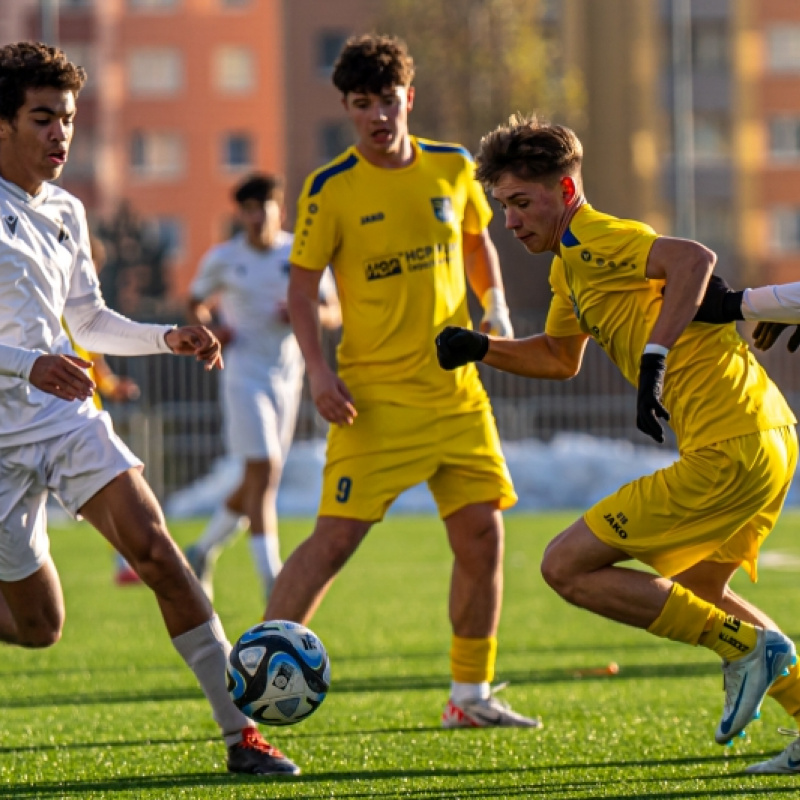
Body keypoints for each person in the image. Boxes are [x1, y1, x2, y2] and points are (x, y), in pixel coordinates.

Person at [435, 114, 800, 772]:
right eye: (503, 208)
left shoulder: (595, 235)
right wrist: (479, 346)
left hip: (730, 444)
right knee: (694, 586)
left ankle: (745, 649)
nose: (511, 222)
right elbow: (557, 356)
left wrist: (654, 356)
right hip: (763, 435)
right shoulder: (569, 270)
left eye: (522, 203)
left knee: (565, 566)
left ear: (565, 192)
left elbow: (692, 259)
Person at [0, 41, 298, 776]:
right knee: (40, 629)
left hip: (65, 420)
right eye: (42, 118)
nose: (60, 134)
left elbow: (90, 318)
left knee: (159, 550)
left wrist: (168, 336)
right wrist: (25, 361)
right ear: (2, 123)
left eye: (67, 119)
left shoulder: (67, 209)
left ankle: (242, 735)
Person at [264, 33, 539, 730]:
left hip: (455, 396)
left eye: (389, 100)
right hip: (373, 403)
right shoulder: (330, 189)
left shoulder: (452, 168)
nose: (379, 116)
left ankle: (469, 698)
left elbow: (478, 241)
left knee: (483, 536)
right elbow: (301, 292)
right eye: (363, 105)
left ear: (408, 98)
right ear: (348, 111)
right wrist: (319, 373)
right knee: (332, 544)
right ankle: (256, 687)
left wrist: (496, 310)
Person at [183, 173, 339, 602]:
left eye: (262, 208)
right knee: (266, 472)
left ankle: (200, 550)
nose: (254, 218)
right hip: (242, 375)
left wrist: (302, 313)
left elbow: (332, 311)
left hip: (287, 378)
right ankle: (272, 580)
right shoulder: (224, 258)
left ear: (279, 209)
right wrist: (211, 328)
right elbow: (194, 300)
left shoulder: (298, 252)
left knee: (258, 477)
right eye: (247, 210)